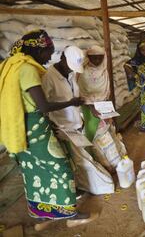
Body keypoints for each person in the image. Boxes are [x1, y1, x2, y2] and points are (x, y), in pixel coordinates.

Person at [0, 30, 97, 230]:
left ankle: (43, 214)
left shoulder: (12, 66)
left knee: (34, 171)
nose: (49, 57)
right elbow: (43, 107)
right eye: (48, 52)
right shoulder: (27, 69)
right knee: (62, 168)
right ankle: (71, 213)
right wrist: (70, 102)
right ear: (38, 49)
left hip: (22, 127)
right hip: (34, 129)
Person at [42, 45, 114, 196]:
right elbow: (44, 105)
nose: (71, 70)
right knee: (79, 160)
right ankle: (79, 187)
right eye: (70, 67)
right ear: (62, 58)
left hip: (76, 123)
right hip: (62, 126)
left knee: (81, 158)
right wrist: (69, 104)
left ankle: (82, 184)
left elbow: (75, 96)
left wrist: (88, 105)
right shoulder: (50, 77)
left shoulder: (71, 74)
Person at [78, 45, 110, 141]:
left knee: (104, 133)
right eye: (94, 58)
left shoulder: (104, 71)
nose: (97, 61)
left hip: (102, 106)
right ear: (89, 57)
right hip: (87, 108)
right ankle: (91, 153)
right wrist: (92, 106)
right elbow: (81, 91)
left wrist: (108, 111)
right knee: (90, 132)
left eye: (100, 58)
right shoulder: (83, 71)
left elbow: (106, 91)